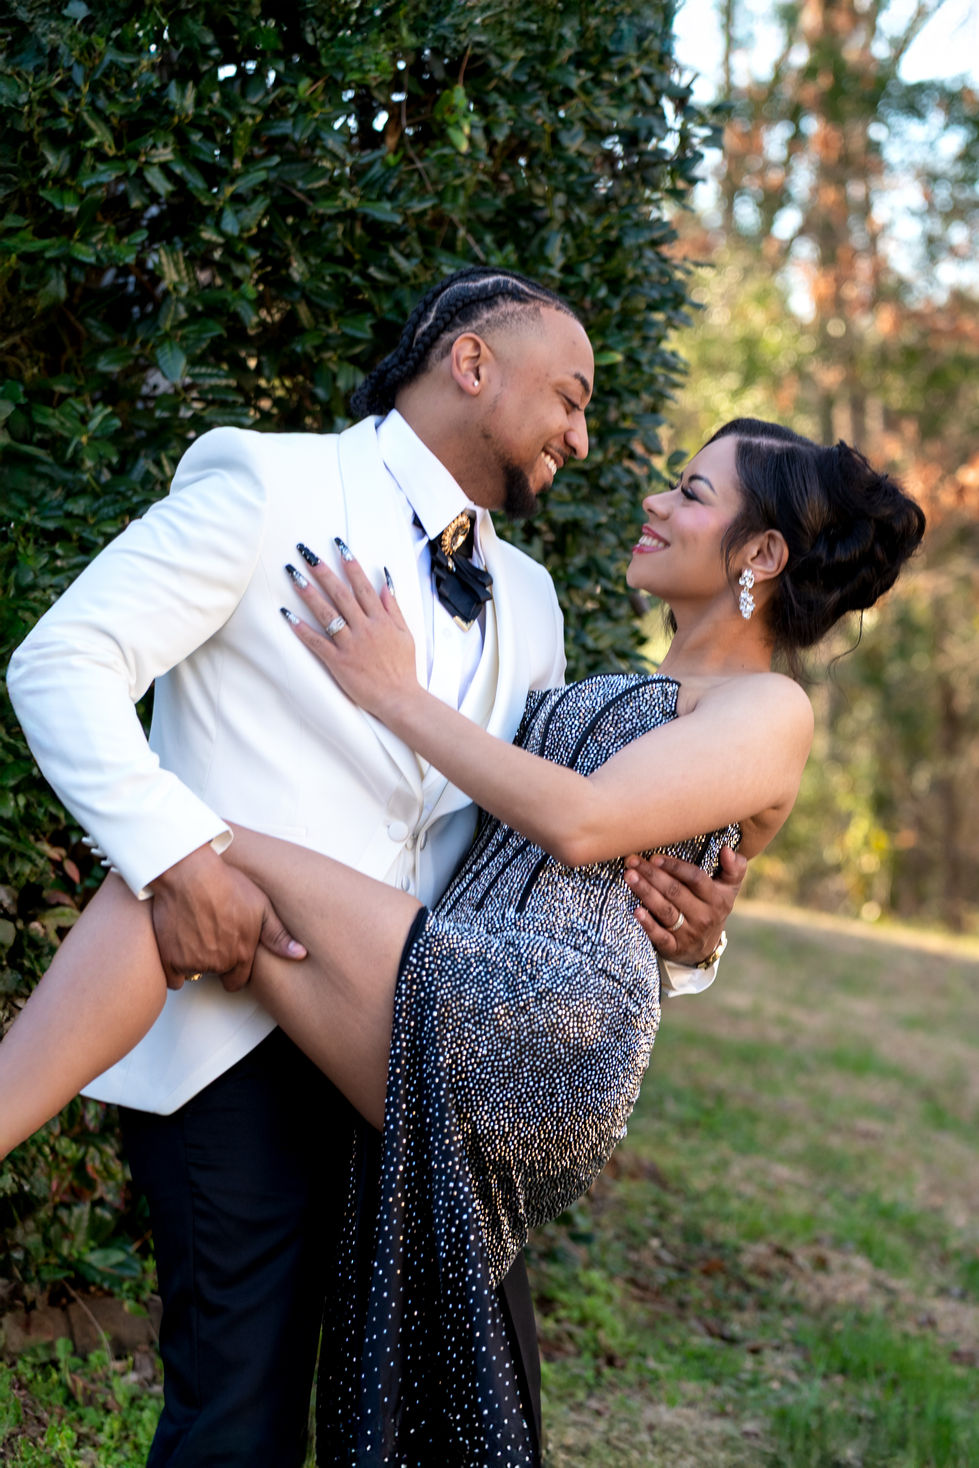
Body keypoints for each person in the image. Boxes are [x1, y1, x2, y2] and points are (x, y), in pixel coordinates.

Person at [1, 416, 925, 1464]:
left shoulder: (770, 708)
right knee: (192, 895)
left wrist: (390, 692)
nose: (655, 503)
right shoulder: (609, 676)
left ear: (761, 554)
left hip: (547, 1022)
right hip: (464, 974)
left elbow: (578, 822)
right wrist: (699, 932)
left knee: (200, 851)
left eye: (691, 492)